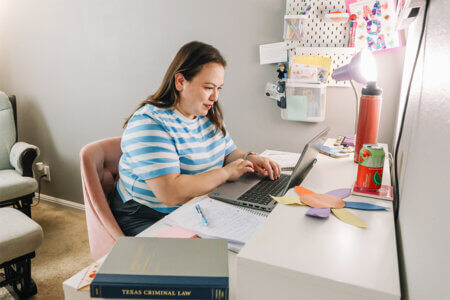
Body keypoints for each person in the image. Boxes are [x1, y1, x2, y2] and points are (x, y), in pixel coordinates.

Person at [110, 41, 281, 236]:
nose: (215, 97)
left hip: (195, 206)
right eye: (209, 87)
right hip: (148, 214)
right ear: (180, 82)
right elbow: (170, 193)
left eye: (219, 88)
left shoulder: (206, 114)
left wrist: (249, 158)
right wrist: (225, 174)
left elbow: (229, 153)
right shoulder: (149, 124)